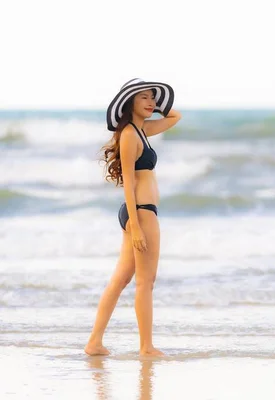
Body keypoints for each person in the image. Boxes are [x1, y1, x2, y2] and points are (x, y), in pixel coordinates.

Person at [85, 78, 181, 356]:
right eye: (144, 98)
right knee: (145, 282)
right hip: (140, 212)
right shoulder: (129, 134)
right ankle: (146, 347)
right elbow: (128, 180)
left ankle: (94, 342)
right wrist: (136, 226)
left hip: (138, 212)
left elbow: (176, 116)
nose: (151, 102)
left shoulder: (142, 130)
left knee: (121, 280)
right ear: (130, 104)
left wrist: (157, 105)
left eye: (153, 98)